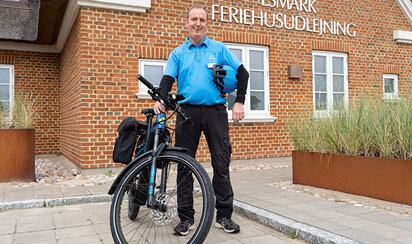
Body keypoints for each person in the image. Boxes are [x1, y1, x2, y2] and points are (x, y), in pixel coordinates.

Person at [153, 4, 249, 235]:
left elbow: (243, 73)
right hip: (187, 113)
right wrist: (161, 100)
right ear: (187, 23)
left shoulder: (218, 48)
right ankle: (186, 219)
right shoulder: (178, 52)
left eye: (202, 20)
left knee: (221, 164)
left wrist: (240, 102)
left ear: (207, 24)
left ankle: (224, 217)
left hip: (216, 112)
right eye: (194, 19)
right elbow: (167, 80)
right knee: (185, 166)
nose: (198, 23)